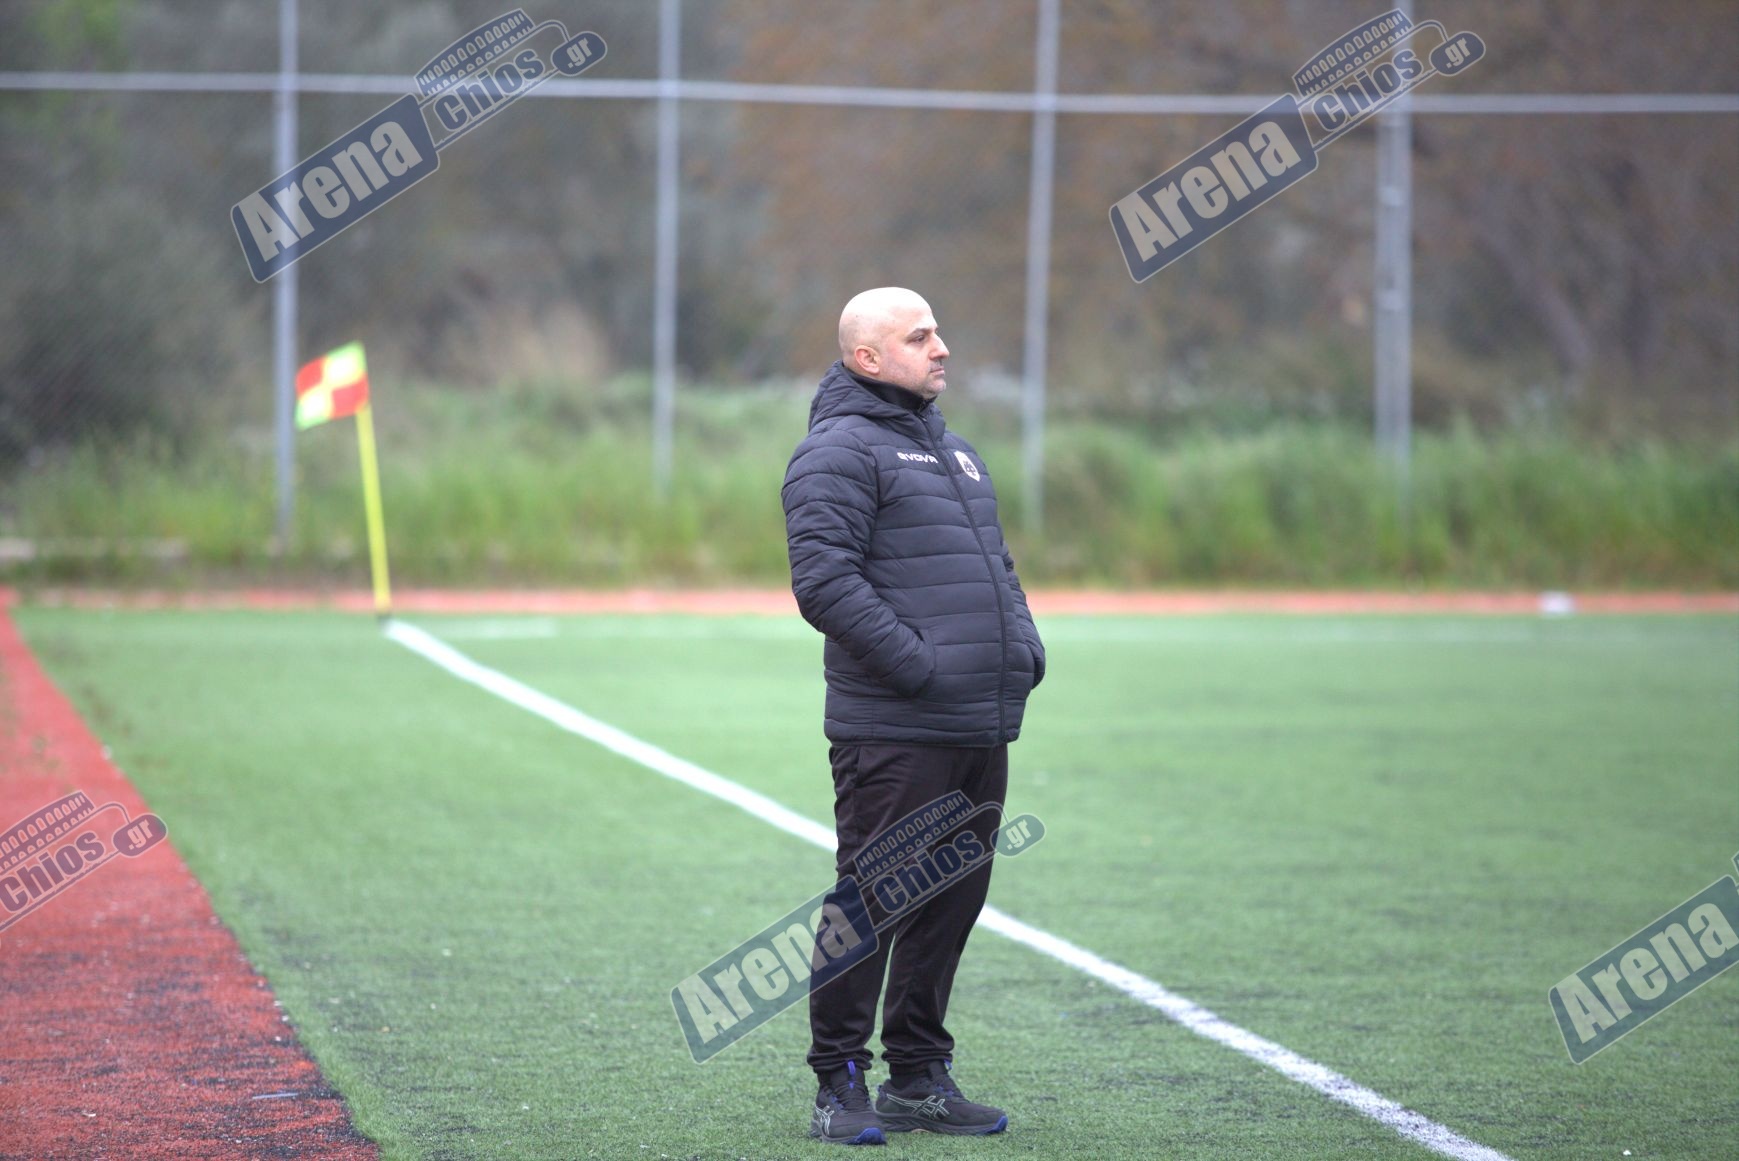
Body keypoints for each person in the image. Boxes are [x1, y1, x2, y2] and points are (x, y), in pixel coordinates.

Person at [782, 287, 1046, 1145]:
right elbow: (824, 582)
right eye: (919, 336)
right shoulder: (836, 451)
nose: (941, 348)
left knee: (950, 904)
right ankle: (837, 1082)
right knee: (871, 901)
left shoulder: (955, 452)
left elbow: (998, 567)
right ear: (867, 357)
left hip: (979, 722)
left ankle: (918, 1076)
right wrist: (920, 668)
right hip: (895, 728)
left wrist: (1024, 650)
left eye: (938, 332)